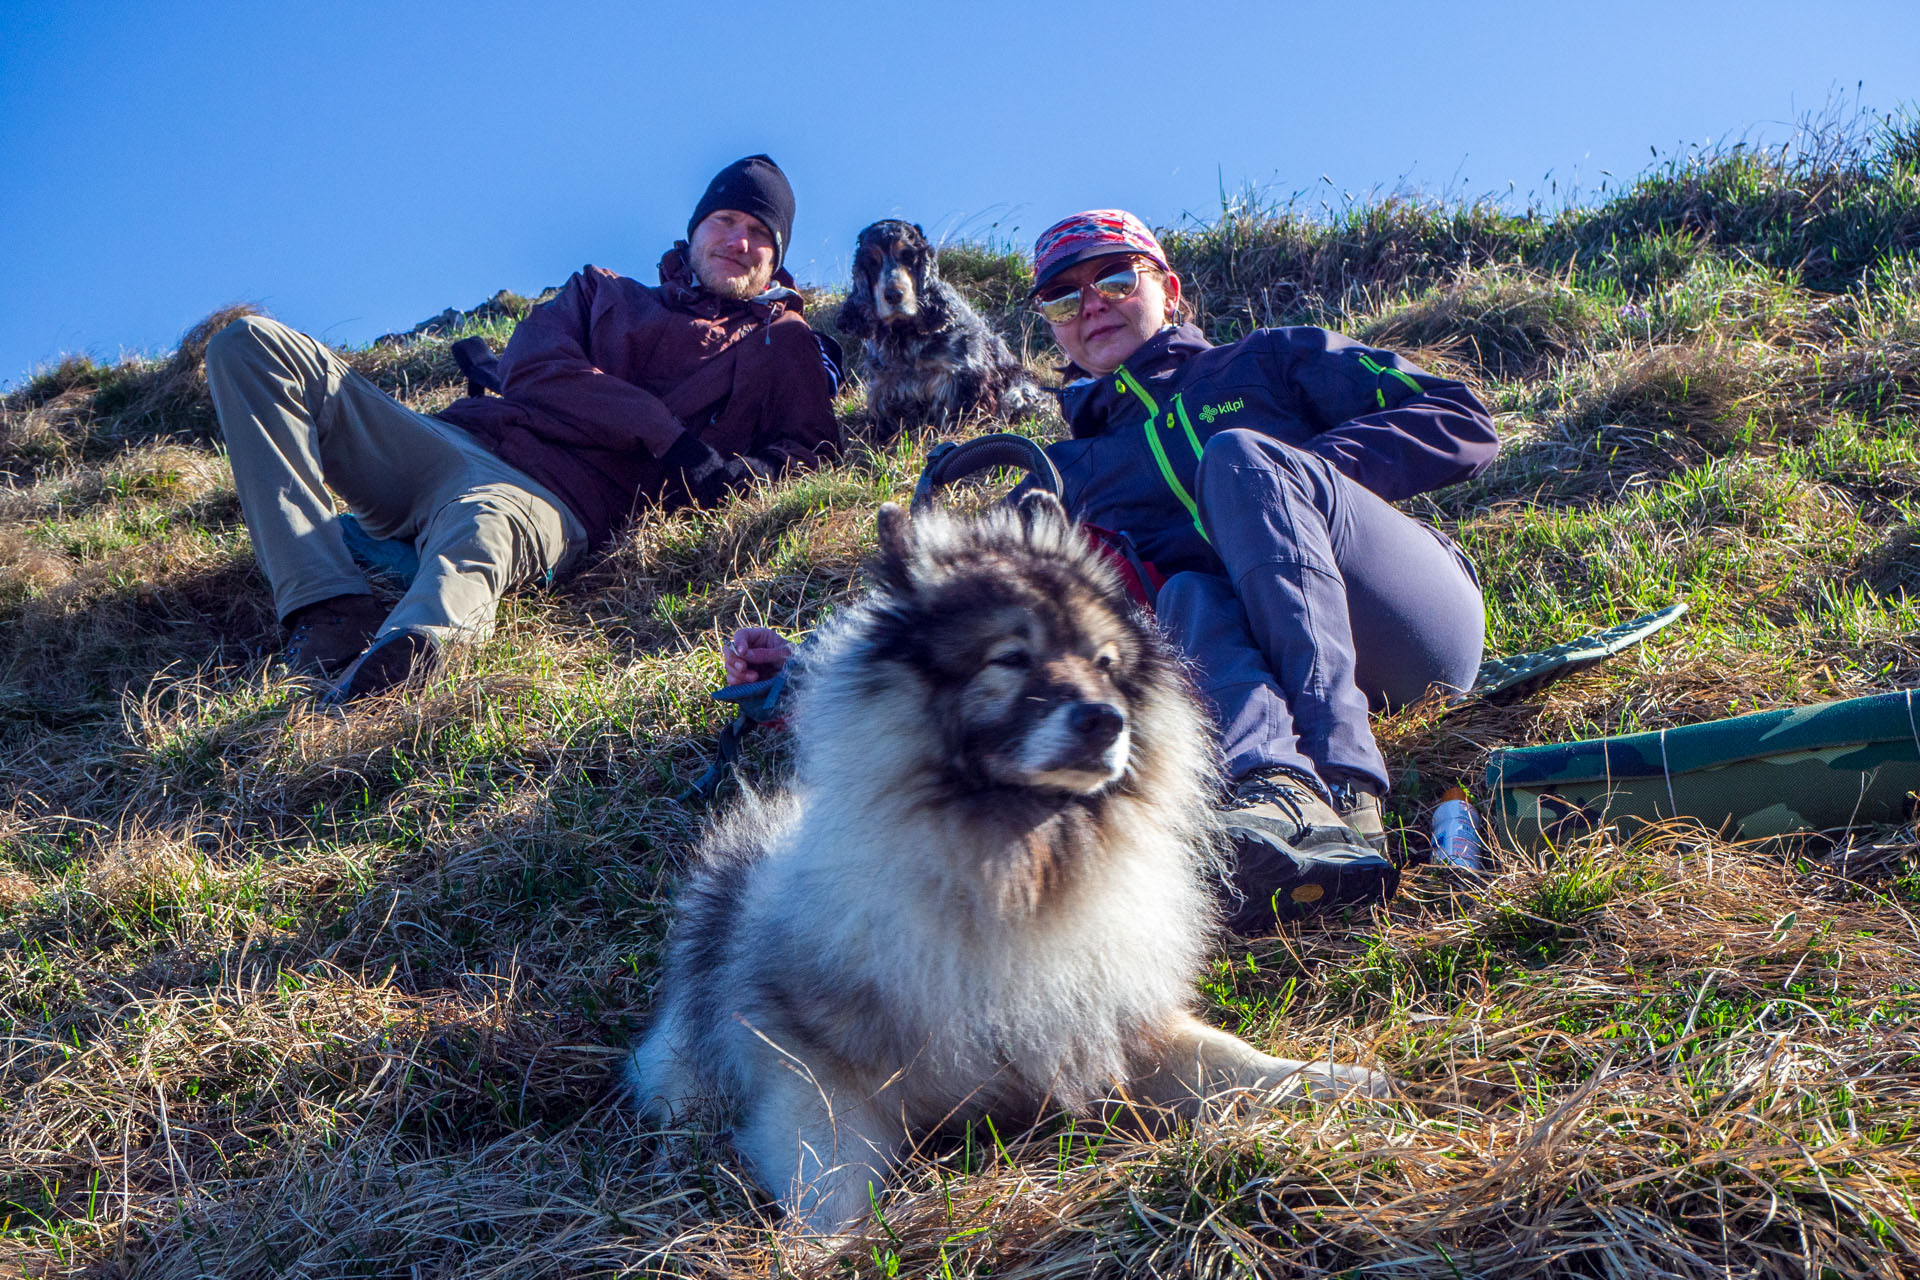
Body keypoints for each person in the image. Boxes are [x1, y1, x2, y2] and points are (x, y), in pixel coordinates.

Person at [205, 154, 844, 705]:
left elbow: (812, 452)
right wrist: (664, 435)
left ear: (777, 258)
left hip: (556, 497)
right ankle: (327, 608)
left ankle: (394, 672)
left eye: (761, 233)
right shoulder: (601, 290)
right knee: (251, 346)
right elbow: (535, 368)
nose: (739, 240)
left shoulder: (779, 342)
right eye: (727, 221)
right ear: (695, 229)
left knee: (479, 534)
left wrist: (738, 474)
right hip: (455, 441)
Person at [1021, 209, 1497, 929]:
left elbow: (1460, 418)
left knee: (1242, 458)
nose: (1091, 305)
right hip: (1255, 668)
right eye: (1063, 298)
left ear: (1169, 288)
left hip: (1410, 632)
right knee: (1184, 592)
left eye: (1115, 278)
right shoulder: (1068, 473)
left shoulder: (1269, 359)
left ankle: (1345, 785)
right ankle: (1278, 796)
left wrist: (1293, 479)